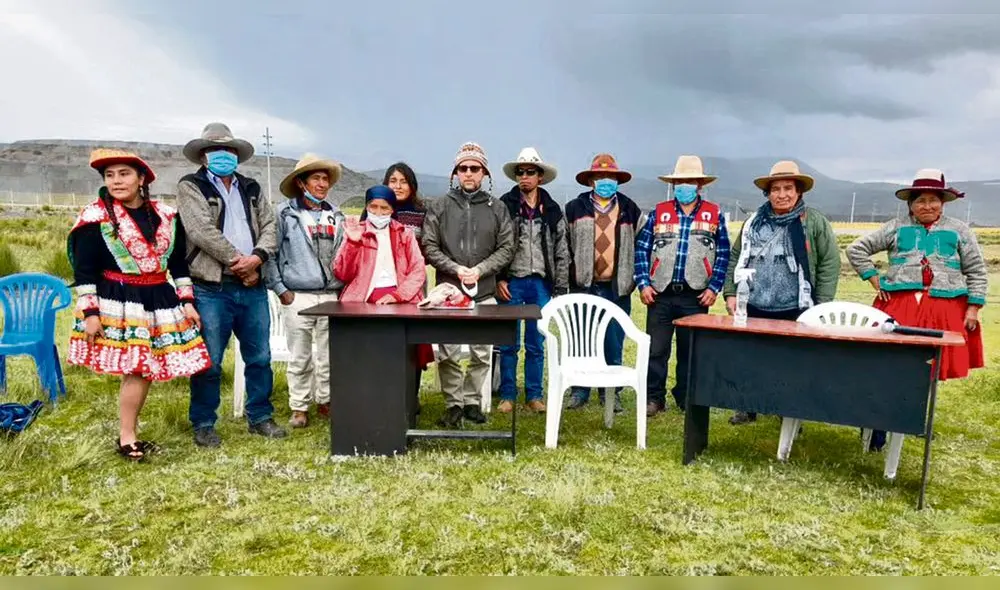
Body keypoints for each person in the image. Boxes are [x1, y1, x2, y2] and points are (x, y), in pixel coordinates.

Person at [67, 149, 211, 461]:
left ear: (141, 178)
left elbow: (178, 265)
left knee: (143, 369)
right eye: (110, 175)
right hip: (119, 301)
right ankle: (127, 436)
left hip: (158, 299)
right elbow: (84, 271)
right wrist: (90, 313)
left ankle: (129, 431)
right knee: (138, 368)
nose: (116, 181)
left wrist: (186, 302)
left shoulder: (167, 216)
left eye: (124, 173)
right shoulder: (95, 218)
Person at [847, 169, 987, 449]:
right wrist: (873, 277)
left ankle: (916, 422)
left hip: (944, 306)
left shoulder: (959, 230)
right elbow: (856, 249)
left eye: (933, 200)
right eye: (920, 200)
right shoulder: (896, 227)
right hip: (899, 305)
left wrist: (973, 307)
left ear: (943, 202)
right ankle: (879, 426)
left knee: (929, 370)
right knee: (890, 366)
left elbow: (976, 270)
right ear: (910, 203)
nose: (927, 206)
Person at [177, 122, 286, 447]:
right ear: (203, 155)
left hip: (252, 285)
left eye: (228, 150)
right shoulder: (191, 186)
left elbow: (269, 224)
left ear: (236, 155)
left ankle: (260, 416)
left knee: (260, 356)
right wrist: (240, 263)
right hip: (212, 287)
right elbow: (200, 230)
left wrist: (258, 257)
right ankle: (204, 422)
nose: (222, 155)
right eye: (214, 150)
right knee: (209, 359)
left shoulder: (251, 187)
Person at [723, 160, 840, 425]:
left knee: (791, 362)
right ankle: (747, 406)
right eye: (776, 188)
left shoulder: (814, 222)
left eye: (788, 188)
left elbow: (829, 264)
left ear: (799, 191)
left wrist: (820, 305)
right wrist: (730, 292)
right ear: (768, 193)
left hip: (796, 305)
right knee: (750, 358)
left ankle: (788, 411)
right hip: (754, 302)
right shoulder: (753, 223)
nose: (782, 194)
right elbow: (736, 256)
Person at [421, 141, 514, 427]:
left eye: (475, 168)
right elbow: (429, 245)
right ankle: (453, 404)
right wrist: (456, 268)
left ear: (484, 172)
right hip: (449, 292)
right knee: (447, 352)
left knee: (482, 352)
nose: (469, 173)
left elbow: (507, 246)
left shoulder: (497, 208)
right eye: (463, 168)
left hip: (484, 291)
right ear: (455, 172)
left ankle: (472, 401)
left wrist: (482, 269)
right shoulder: (439, 206)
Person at [635, 155, 730, 417]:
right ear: (674, 185)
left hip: (695, 296)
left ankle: (686, 396)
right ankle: (654, 398)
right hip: (660, 293)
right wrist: (643, 283)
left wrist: (714, 288)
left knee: (690, 352)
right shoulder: (659, 212)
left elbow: (723, 253)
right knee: (657, 350)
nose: (684, 187)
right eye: (680, 182)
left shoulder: (714, 214)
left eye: (689, 182)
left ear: (699, 185)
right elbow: (642, 248)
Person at [262, 154, 346, 428]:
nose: (322, 184)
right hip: (298, 294)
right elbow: (270, 253)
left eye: (325, 179)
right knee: (300, 356)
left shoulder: (337, 215)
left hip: (330, 295)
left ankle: (326, 400)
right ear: (301, 182)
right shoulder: (284, 214)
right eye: (316, 178)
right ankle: (299, 407)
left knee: (329, 355)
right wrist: (281, 289)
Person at [564, 153, 643, 413]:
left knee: (613, 340)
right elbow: (564, 245)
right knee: (582, 339)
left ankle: (611, 392)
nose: (605, 181)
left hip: (617, 286)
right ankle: (579, 391)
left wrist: (633, 278)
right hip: (584, 284)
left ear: (618, 181)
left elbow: (642, 244)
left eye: (610, 177)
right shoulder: (575, 208)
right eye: (600, 177)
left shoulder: (630, 208)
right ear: (591, 181)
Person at [495, 147, 570, 414]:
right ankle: (507, 395)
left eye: (530, 172)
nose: (524, 177)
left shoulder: (551, 209)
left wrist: (560, 287)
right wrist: (498, 279)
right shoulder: (505, 205)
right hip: (512, 281)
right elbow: (496, 245)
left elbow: (562, 250)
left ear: (540, 176)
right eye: (521, 173)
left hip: (541, 283)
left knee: (536, 343)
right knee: (508, 343)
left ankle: (534, 395)